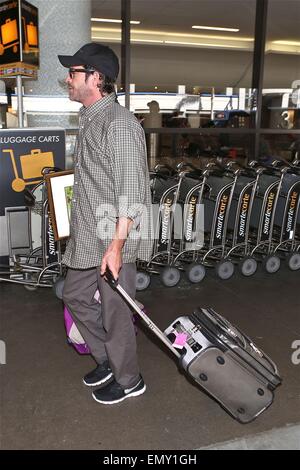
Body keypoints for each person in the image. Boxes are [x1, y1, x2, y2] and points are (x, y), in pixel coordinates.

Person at [58, 43, 152, 405]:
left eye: (73, 72)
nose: (68, 79)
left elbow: (131, 189)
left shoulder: (119, 124)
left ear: (94, 77)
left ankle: (130, 379)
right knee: (75, 296)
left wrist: (116, 246)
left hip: (115, 236)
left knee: (115, 310)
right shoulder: (92, 118)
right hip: (91, 235)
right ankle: (109, 359)